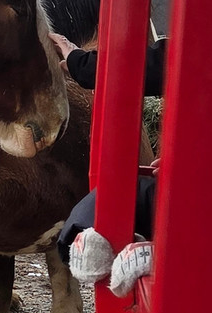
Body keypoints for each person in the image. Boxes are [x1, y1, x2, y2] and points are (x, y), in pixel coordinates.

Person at [49, 33, 167, 294]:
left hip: (206, 200)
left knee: (112, 197)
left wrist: (81, 63)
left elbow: (162, 63)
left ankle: (160, 253)